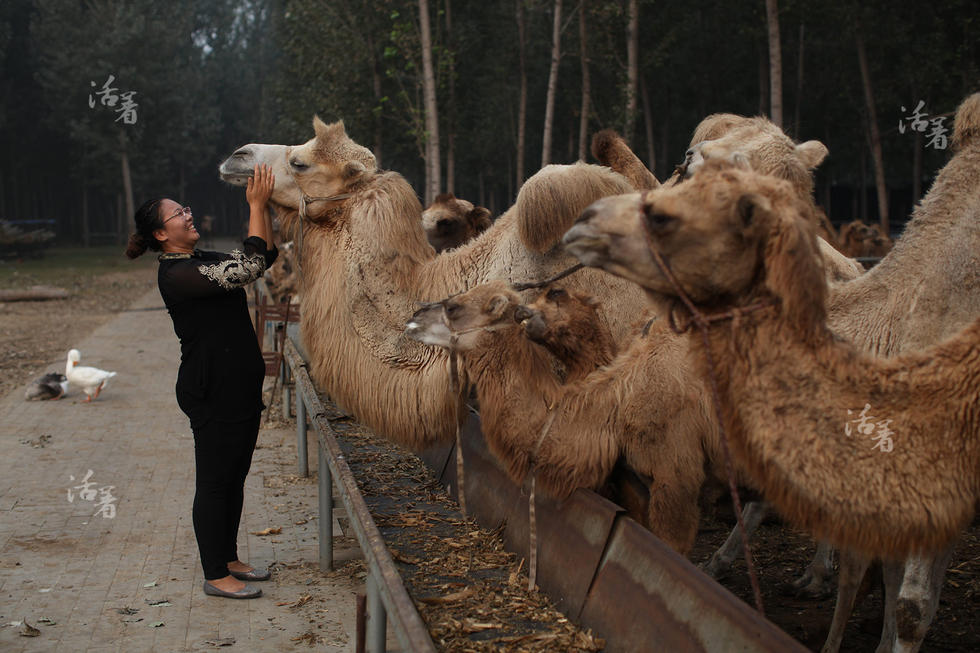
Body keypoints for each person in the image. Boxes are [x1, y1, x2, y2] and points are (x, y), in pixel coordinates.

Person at [125, 164, 278, 599]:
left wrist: (265, 209)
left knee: (234, 476)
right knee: (214, 481)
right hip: (211, 391)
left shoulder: (199, 261)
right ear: (161, 234)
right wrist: (255, 204)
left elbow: (263, 258)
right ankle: (215, 573)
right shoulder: (177, 275)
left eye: (186, 208)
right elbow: (248, 267)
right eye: (179, 213)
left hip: (238, 387)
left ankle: (228, 558)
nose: (188, 215)